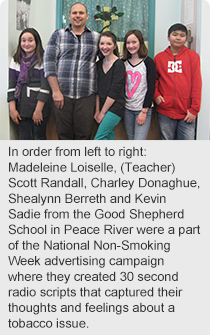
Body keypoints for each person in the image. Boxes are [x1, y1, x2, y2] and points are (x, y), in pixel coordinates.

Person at [43, 2, 99, 140]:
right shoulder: (58, 35)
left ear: (87, 17)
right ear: (69, 16)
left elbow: (107, 62)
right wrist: (56, 91)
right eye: (74, 13)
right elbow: (49, 62)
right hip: (62, 95)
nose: (77, 16)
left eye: (81, 13)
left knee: (84, 136)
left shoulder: (96, 37)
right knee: (64, 136)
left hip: (87, 96)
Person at [154, 23, 202, 140]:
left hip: (187, 112)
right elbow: (154, 80)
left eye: (182, 35)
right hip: (165, 110)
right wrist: (156, 96)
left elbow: (197, 83)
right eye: (175, 35)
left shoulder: (192, 56)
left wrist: (194, 109)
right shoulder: (159, 58)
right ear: (168, 37)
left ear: (186, 38)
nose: (178, 38)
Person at [7, 28, 51, 140]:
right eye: (23, 40)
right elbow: (12, 85)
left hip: (39, 107)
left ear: (37, 42)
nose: (26, 44)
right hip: (22, 108)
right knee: (25, 138)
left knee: (39, 137)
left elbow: (45, 87)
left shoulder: (44, 58)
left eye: (30, 40)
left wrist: (38, 111)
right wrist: (12, 109)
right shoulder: (16, 59)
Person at [123, 30, 156, 140]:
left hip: (142, 109)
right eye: (128, 43)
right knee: (130, 139)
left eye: (134, 42)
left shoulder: (148, 62)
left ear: (140, 43)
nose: (131, 46)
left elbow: (151, 88)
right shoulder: (123, 62)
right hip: (127, 109)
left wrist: (144, 111)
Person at [94, 31, 125, 140]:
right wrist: (97, 111)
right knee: (109, 137)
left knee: (99, 138)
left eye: (109, 44)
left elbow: (114, 91)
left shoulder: (119, 64)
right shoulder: (98, 64)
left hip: (115, 107)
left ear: (115, 45)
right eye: (102, 44)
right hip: (102, 106)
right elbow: (96, 90)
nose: (105, 47)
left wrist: (102, 113)